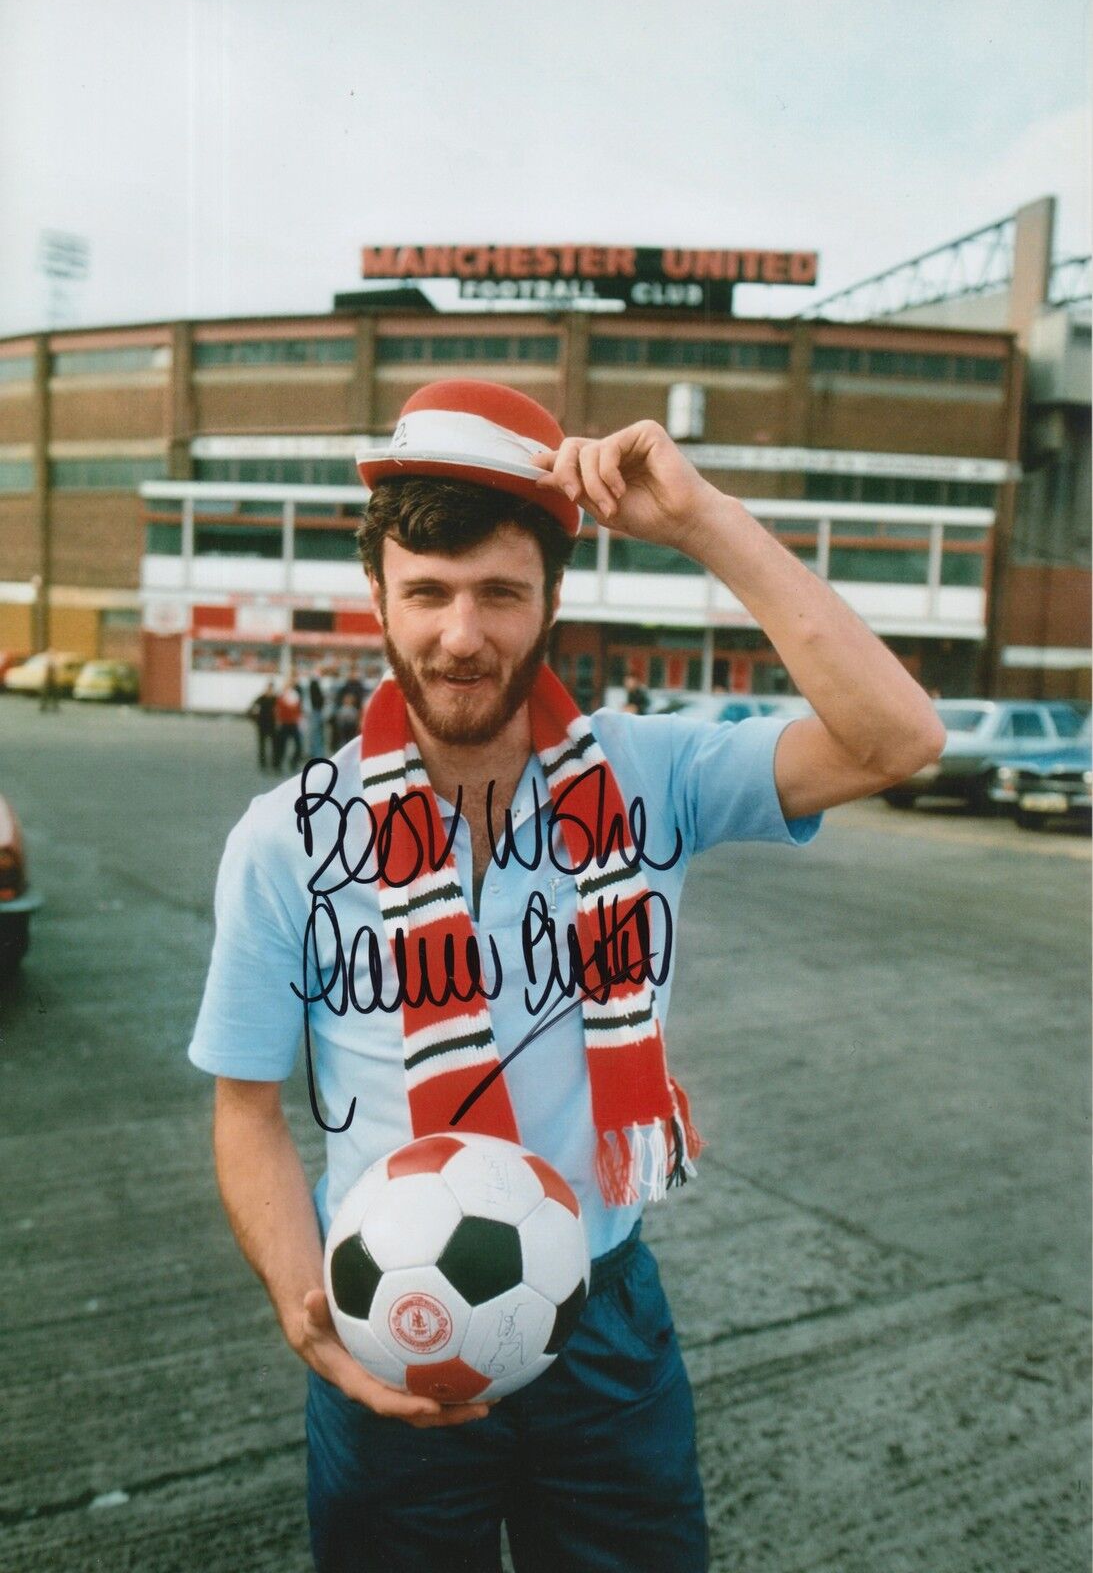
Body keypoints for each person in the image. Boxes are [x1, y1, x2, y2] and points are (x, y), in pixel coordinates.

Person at [190, 380, 945, 1572]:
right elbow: (246, 1107)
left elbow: (897, 738)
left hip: (604, 1324)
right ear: (376, 596)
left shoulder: (652, 776)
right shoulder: (287, 836)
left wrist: (702, 520)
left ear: (550, 600)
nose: (460, 632)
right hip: (388, 1314)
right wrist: (305, 1303)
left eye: (500, 591)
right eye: (427, 592)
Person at [272, 674, 303, 772]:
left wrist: (299, 719)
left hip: (293, 723)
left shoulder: (296, 694)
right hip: (284, 723)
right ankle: (277, 764)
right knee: (281, 745)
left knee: (298, 745)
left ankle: (293, 763)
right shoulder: (281, 695)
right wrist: (278, 721)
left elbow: (298, 709)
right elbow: (277, 709)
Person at [247, 678, 278, 770]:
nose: (270, 691)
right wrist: (256, 720)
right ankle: (263, 764)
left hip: (272, 725)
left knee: (274, 745)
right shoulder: (261, 698)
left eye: (271, 689)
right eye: (269, 688)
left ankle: (274, 763)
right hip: (262, 725)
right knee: (262, 746)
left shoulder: (275, 699)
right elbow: (250, 710)